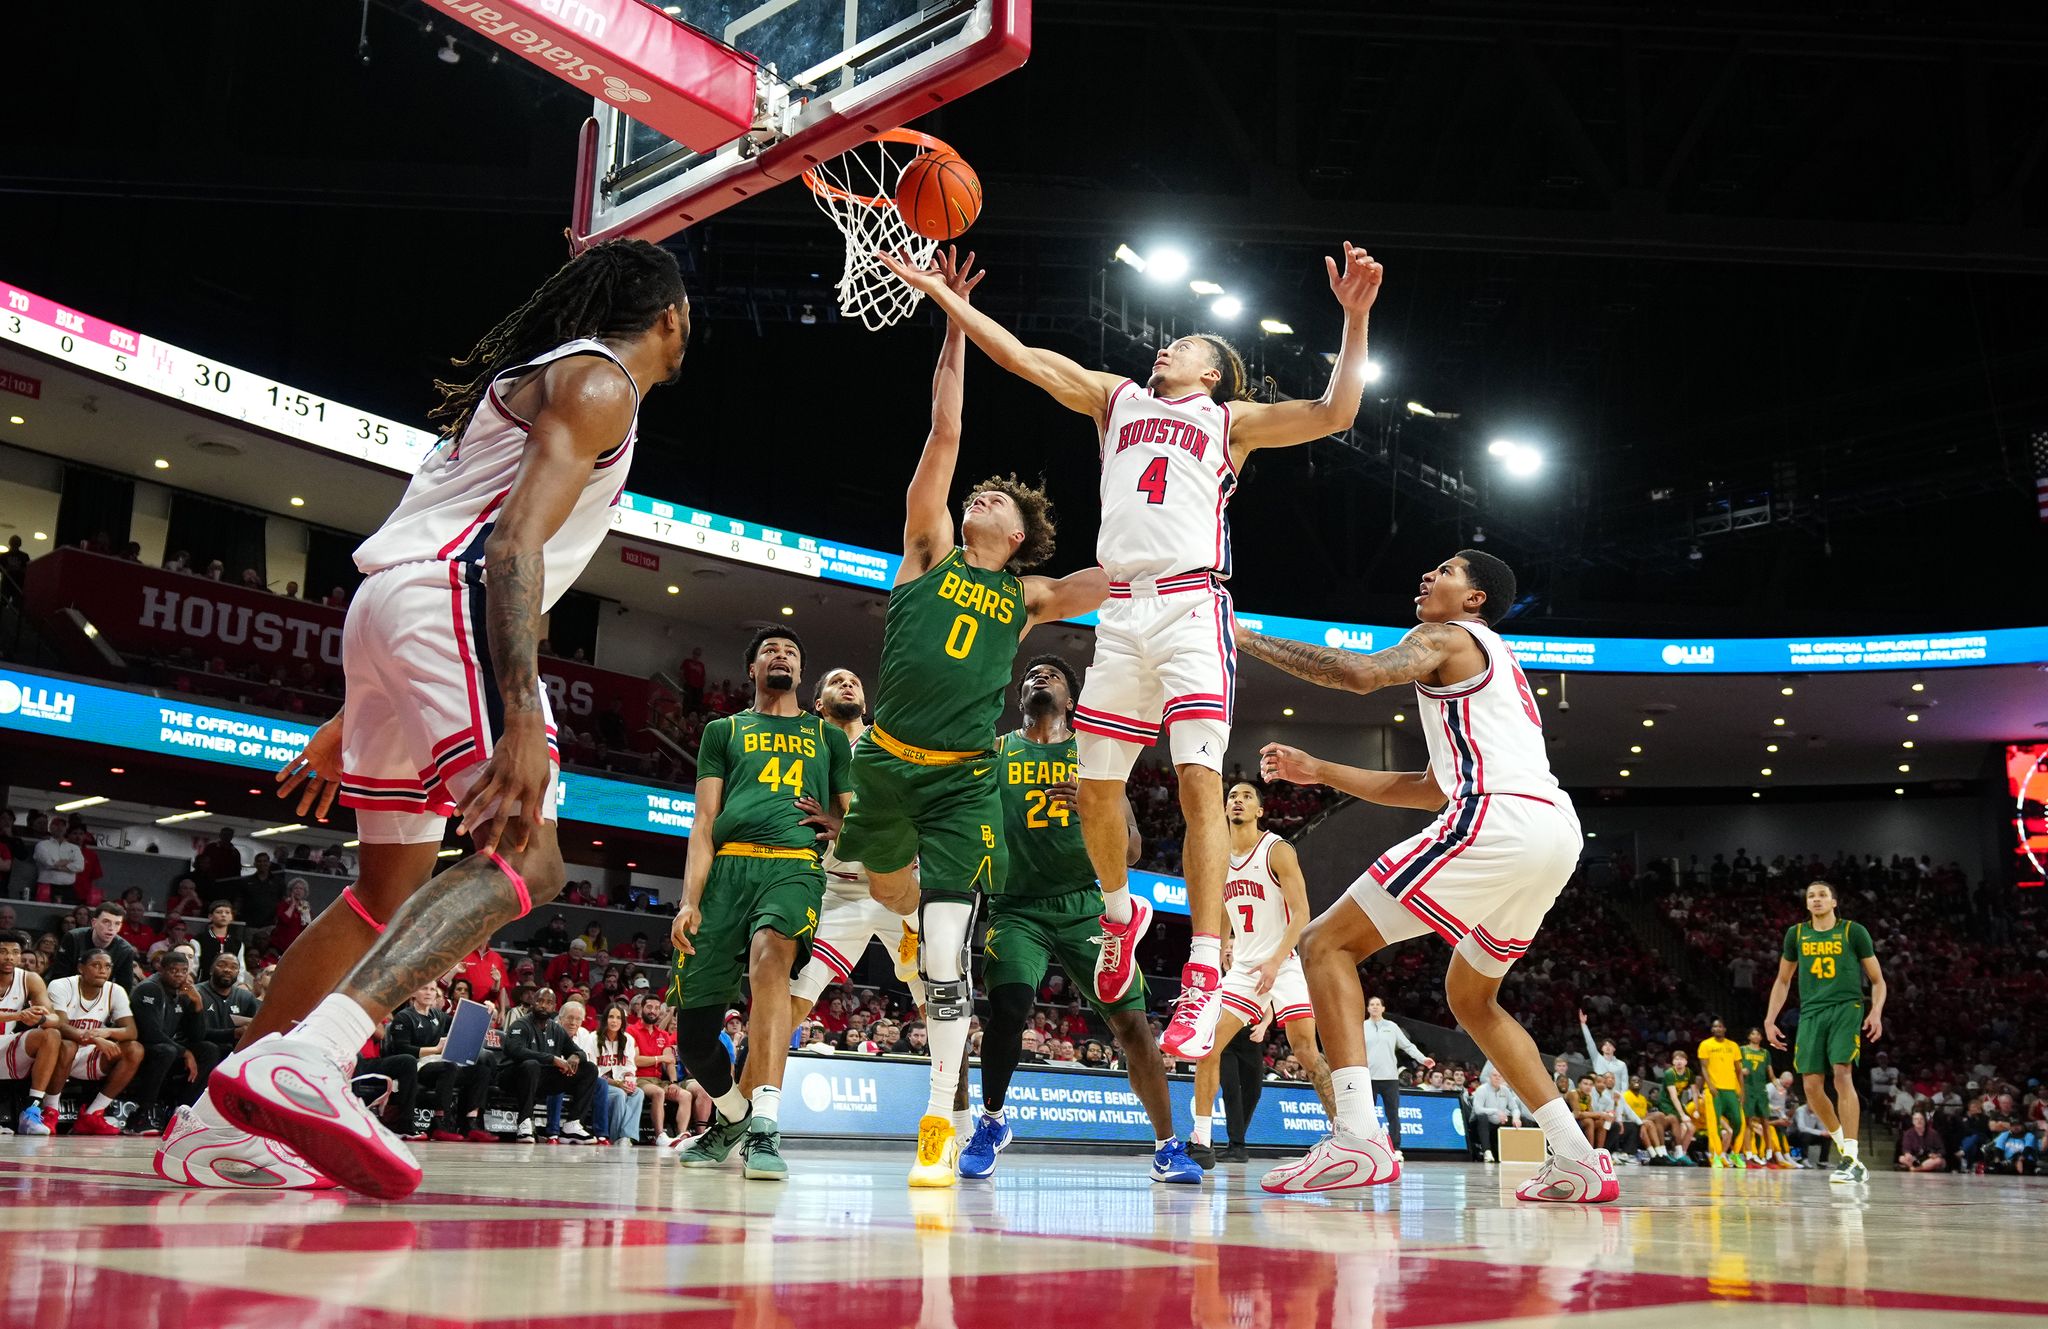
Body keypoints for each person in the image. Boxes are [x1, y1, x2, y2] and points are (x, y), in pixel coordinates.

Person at [153, 238, 689, 1198]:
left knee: (381, 893)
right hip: (449, 600)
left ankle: (217, 1121)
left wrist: (360, 700)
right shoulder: (602, 382)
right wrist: (524, 711)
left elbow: (437, 531)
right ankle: (314, 1057)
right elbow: (512, 542)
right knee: (529, 856)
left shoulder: (544, 377)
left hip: (394, 612)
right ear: (671, 319)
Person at [881, 243, 1385, 1067]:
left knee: (1198, 782)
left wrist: (1355, 318)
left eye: (1187, 346)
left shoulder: (1231, 422)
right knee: (1094, 792)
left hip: (1193, 603)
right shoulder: (1113, 399)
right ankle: (1120, 912)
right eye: (1170, 342)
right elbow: (1021, 357)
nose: (1168, 347)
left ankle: (1203, 968)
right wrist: (943, 298)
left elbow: (1334, 411)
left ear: (1215, 374)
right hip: (1121, 609)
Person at [829, 251, 1112, 1186]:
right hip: (884, 764)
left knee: (950, 949)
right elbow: (945, 427)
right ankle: (908, 930)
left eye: (996, 500)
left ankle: (939, 1117)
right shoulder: (927, 550)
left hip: (960, 776)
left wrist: (1190, 524)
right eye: (975, 495)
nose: (977, 497)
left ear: (1020, 535)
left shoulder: (1029, 598)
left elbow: (1119, 574)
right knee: (898, 903)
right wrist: (951, 319)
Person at [1237, 551, 1613, 1203]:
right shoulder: (1495, 665)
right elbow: (1429, 786)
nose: (1426, 576)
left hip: (1497, 819)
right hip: (1554, 830)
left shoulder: (1444, 636)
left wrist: (1241, 635)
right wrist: (1320, 769)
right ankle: (1577, 1153)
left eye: (1444, 571)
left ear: (1475, 599)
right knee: (1472, 996)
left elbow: (1359, 674)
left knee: (1325, 944)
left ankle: (1356, 1134)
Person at [958, 655, 1198, 1185]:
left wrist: (1098, 811)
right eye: (1030, 677)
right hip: (1014, 905)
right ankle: (992, 1121)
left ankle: (1167, 1146)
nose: (1038, 679)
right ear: (1019, 698)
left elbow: (1132, 850)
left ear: (1072, 699)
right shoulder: (993, 752)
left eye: (1053, 677)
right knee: (1009, 1006)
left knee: (1133, 1026)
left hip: (1082, 904)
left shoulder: (1093, 756)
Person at [667, 628, 853, 1181]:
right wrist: (689, 901)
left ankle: (766, 1125)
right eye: (771, 650)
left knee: (772, 956)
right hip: (726, 870)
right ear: (752, 668)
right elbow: (704, 823)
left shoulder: (828, 738)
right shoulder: (723, 731)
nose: (783, 656)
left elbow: (857, 819)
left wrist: (841, 824)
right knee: (696, 1040)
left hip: (793, 866)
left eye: (793, 652)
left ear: (801, 674)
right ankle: (733, 1116)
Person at [1188, 781, 1333, 1167]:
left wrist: (1275, 960)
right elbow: (1221, 909)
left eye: (1246, 796)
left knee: (1304, 1049)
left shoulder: (1278, 850)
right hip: (1243, 968)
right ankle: (1201, 1140)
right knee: (1208, 1046)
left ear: (1259, 811)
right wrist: (1219, 947)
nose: (1237, 800)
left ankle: (1348, 1132)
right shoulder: (1218, 855)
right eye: (1232, 796)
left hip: (1283, 963)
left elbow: (1301, 913)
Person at [787, 668, 925, 1023]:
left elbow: (907, 813)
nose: (848, 684)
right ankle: (756, 1079)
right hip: (838, 888)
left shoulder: (887, 744)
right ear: (819, 704)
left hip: (899, 881)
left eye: (855, 682)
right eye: (836, 682)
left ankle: (953, 1080)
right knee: (794, 997)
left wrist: (847, 829)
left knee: (939, 1002)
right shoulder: (808, 750)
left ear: (864, 704)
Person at [1764, 879, 1887, 1185]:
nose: (1816, 899)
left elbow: (1878, 980)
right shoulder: (1796, 934)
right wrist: (1770, 1019)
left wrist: (1875, 1011)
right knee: (1811, 1087)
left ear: (1834, 902)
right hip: (1812, 1012)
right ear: (1806, 904)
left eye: (1822, 895)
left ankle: (1850, 1156)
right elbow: (1782, 981)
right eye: (1811, 896)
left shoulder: (1852, 931)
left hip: (1846, 1007)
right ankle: (1845, 1148)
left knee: (1841, 1073)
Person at [43, 949, 145, 1134]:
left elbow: (131, 1031)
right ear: (81, 968)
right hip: (57, 1054)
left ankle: (93, 1114)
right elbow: (60, 1025)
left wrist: (107, 1032)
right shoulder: (61, 985)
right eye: (95, 965)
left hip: (89, 1054)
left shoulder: (115, 990)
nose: (102, 970)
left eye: (107, 966)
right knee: (67, 1045)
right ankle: (50, 1110)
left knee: (135, 1049)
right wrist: (95, 1038)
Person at [126, 950, 212, 1134]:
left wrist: (197, 1005)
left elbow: (197, 1036)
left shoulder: (184, 993)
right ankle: (141, 1116)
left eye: (183, 971)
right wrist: (185, 1052)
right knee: (167, 1050)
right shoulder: (148, 988)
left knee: (208, 1050)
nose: (179, 975)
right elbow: (150, 1033)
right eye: (174, 970)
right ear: (161, 969)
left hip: (166, 1047)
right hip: (141, 1047)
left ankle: (182, 1111)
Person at [501, 987, 597, 1142]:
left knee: (589, 1069)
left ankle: (572, 1124)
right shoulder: (521, 1024)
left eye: (548, 1003)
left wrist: (575, 1056)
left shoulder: (556, 1029)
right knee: (531, 1065)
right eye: (539, 1001)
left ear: (554, 1007)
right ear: (533, 1002)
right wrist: (552, 1059)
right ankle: (524, 1122)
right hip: (513, 1077)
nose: (543, 1005)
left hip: (542, 1080)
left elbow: (580, 1052)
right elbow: (515, 1050)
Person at [1, 930, 68, 1137]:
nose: (10, 957)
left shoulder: (30, 979)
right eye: (3, 951)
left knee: (51, 1035)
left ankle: (31, 1111)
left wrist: (39, 1019)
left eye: (15, 952)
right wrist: (18, 1016)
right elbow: (18, 1016)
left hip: (5, 1047)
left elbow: (56, 1019)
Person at [1359, 995, 1433, 1163]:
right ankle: (1368, 1149)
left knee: (1392, 1115)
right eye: (1372, 1004)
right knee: (1367, 1116)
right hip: (1368, 1078)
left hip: (1390, 1078)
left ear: (1383, 1008)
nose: (1375, 1007)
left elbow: (1407, 1046)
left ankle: (1396, 1148)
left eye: (1378, 1004)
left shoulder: (1392, 1027)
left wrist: (1423, 1059)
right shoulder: (1362, 1027)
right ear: (1368, 1008)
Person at [52, 903, 143, 991]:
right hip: (69, 992)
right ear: (94, 922)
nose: (111, 928)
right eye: (106, 922)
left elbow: (123, 988)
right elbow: (59, 977)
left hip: (102, 997)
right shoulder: (73, 938)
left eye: (117, 923)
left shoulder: (125, 950)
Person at [1695, 1018, 1746, 1167]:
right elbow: (1703, 1067)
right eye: (1715, 1026)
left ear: (1724, 1029)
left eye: (1720, 1026)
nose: (1717, 1028)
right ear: (1712, 1029)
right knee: (1714, 1124)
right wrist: (1710, 1085)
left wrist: (1742, 1090)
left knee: (1738, 1121)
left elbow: (1738, 1070)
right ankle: (1716, 1155)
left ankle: (1735, 1154)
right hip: (1714, 1090)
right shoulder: (1705, 1045)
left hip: (1731, 1089)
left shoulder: (1733, 1046)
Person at [1468, 1069, 1520, 1162]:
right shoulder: (1482, 1089)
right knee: (1482, 1117)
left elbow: (1514, 1108)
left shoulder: (1505, 1090)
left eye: (1500, 1076)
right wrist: (1496, 1111)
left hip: (1496, 1123)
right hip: (1477, 1124)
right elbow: (1478, 1109)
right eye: (1494, 1075)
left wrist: (1516, 1118)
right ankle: (1487, 1152)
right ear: (1489, 1077)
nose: (1497, 1078)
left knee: (1514, 1120)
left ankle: (1510, 1153)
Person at [33, 814, 84, 905]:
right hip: (47, 886)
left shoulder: (74, 848)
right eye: (56, 825)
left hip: (68, 888)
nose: (59, 828)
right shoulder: (42, 845)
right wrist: (68, 862)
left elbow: (80, 866)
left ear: (65, 829)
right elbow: (48, 863)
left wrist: (57, 865)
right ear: (51, 827)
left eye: (62, 825)